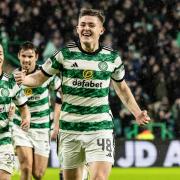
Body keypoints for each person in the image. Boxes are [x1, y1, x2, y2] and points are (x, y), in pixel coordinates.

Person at [14, 9, 151, 180]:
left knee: (99, 178)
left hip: (100, 128)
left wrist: (137, 112)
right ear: (77, 28)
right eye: (83, 24)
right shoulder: (64, 55)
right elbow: (40, 77)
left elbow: (122, 88)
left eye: (91, 25)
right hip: (69, 129)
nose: (86, 28)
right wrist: (24, 79)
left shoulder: (112, 58)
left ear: (101, 30)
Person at [12, 41, 61, 180]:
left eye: (30, 56)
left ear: (36, 57)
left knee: (38, 174)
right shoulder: (13, 78)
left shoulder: (45, 74)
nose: (26, 60)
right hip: (21, 127)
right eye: (23, 56)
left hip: (42, 128)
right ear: (18, 56)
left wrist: (56, 123)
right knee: (26, 167)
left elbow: (61, 92)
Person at [0, 43, 30, 180]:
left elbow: (24, 108)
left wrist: (26, 118)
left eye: (0, 54)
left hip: (4, 140)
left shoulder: (11, 82)